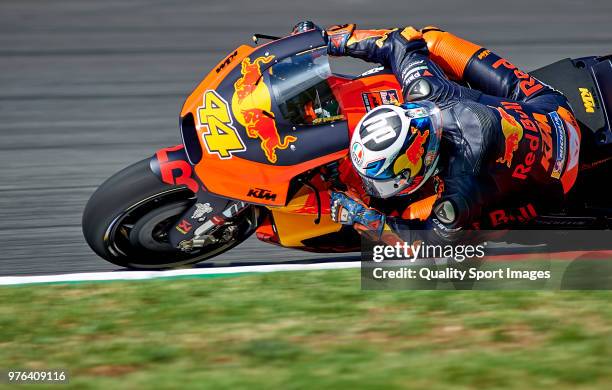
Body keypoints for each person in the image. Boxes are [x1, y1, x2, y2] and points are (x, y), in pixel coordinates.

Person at [296, 22, 582, 244]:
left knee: (414, 219)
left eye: (385, 180)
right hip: (550, 112)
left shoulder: (460, 189)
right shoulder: (428, 92)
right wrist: (332, 41)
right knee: (430, 39)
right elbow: (403, 39)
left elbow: (428, 244)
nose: (375, 187)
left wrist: (368, 219)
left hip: (556, 181)